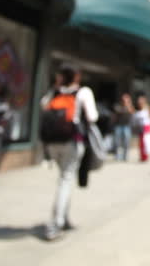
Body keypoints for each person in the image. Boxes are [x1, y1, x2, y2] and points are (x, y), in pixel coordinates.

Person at [40, 63, 98, 241]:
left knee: (65, 178)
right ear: (77, 77)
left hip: (52, 143)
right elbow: (92, 116)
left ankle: (63, 218)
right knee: (66, 180)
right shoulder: (83, 92)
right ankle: (56, 223)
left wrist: (57, 88)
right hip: (72, 142)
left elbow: (43, 106)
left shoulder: (54, 92)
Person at [111, 92, 134, 161]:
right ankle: (117, 156)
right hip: (118, 126)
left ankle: (125, 156)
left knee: (126, 142)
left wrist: (128, 104)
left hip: (127, 126)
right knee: (117, 142)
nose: (125, 101)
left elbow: (132, 112)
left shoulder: (130, 106)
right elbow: (116, 113)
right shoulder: (118, 106)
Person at [134, 91, 150, 162]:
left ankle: (146, 156)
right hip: (140, 127)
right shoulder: (138, 109)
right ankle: (142, 156)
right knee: (141, 142)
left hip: (147, 127)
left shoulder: (148, 108)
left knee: (146, 142)